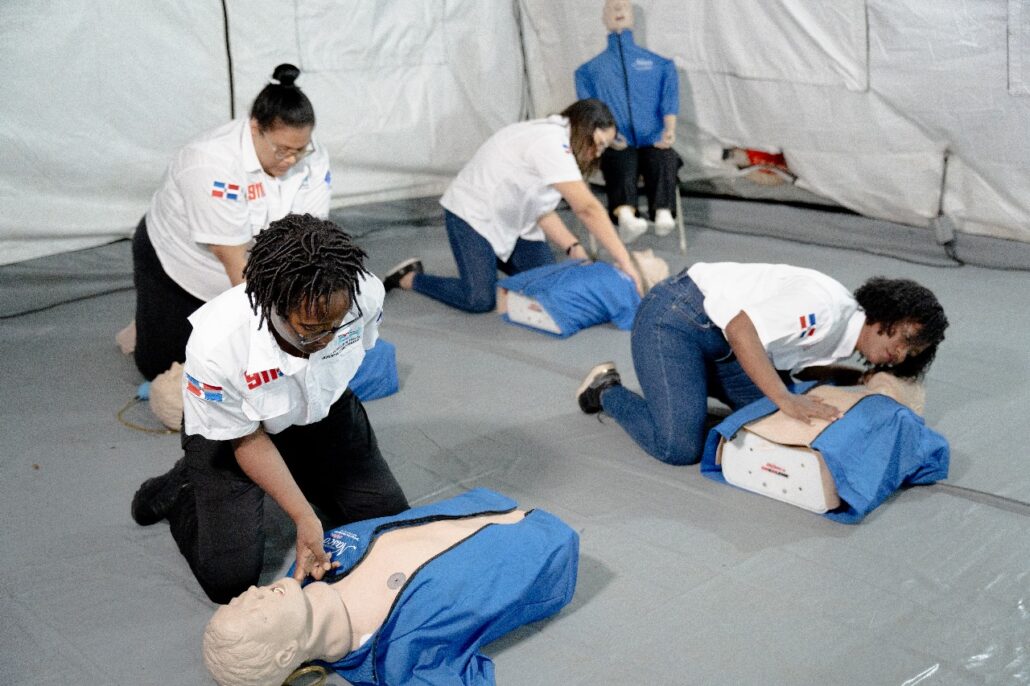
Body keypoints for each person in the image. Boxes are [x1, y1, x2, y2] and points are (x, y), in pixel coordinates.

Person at [130, 214, 408, 604]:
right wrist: (303, 515)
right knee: (229, 581)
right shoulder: (217, 345)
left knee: (390, 526)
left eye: (337, 324)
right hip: (236, 436)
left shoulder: (365, 294)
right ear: (271, 303)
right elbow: (247, 439)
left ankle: (303, 466)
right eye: (311, 329)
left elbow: (352, 347)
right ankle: (184, 486)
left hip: (319, 412)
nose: (328, 339)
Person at [576, 262, 949, 466]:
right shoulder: (823, 309)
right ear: (888, 315)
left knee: (765, 420)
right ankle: (605, 390)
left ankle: (685, 390)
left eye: (912, 355)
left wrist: (858, 379)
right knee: (678, 447)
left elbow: (795, 360)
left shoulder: (844, 330)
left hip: (721, 341)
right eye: (905, 340)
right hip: (675, 318)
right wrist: (787, 399)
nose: (901, 355)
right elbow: (741, 329)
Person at [202, 489, 579, 686]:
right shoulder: (399, 662)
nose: (254, 593)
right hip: (551, 549)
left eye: (241, 598)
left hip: (489, 503)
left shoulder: (321, 555)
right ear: (285, 656)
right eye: (253, 611)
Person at [132, 63, 331, 380]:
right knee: (164, 369)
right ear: (255, 128)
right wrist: (277, 334)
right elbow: (234, 259)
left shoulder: (313, 157)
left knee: (249, 359)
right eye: (282, 150)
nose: (292, 159)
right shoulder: (211, 163)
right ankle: (142, 327)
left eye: (300, 150)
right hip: (182, 263)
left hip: (258, 266)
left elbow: (310, 240)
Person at [384, 98, 643, 313]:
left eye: (604, 148)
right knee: (480, 300)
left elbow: (542, 210)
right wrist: (626, 261)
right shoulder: (550, 142)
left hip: (514, 223)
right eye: (598, 144)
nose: (598, 154)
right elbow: (587, 208)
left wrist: (572, 247)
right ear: (584, 127)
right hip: (472, 216)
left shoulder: (561, 146)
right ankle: (410, 278)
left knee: (550, 286)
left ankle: (492, 266)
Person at [575, 0, 681, 242]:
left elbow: (669, 99)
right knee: (620, 157)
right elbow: (589, 112)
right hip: (616, 142)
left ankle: (663, 211)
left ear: (634, 16)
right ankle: (626, 215)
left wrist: (669, 131)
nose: (619, 11)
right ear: (604, 18)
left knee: (664, 155)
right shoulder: (589, 71)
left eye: (624, 7)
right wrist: (605, 139)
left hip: (652, 139)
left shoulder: (659, 64)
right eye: (612, 8)